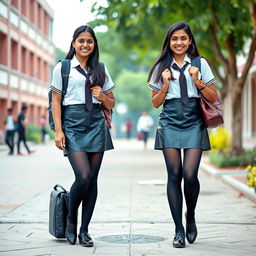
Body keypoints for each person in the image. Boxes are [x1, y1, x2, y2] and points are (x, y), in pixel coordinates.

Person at [148, 21, 217, 248]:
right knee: (174, 174)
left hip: (194, 121)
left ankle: (191, 215)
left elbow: (213, 96)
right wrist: (165, 84)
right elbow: (156, 102)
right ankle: (178, 229)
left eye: (183, 38)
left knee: (190, 174)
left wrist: (197, 80)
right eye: (175, 38)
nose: (179, 42)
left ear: (190, 41)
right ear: (169, 41)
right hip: (169, 121)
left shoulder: (200, 63)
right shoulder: (161, 67)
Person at [51, 25, 115, 247]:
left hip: (96, 123)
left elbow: (112, 102)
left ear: (94, 44)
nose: (85, 45)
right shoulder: (63, 67)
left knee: (92, 180)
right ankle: (71, 219)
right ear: (73, 44)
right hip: (72, 124)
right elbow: (56, 101)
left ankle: (85, 230)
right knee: (84, 176)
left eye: (89, 41)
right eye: (81, 41)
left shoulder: (101, 69)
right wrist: (59, 130)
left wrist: (102, 95)